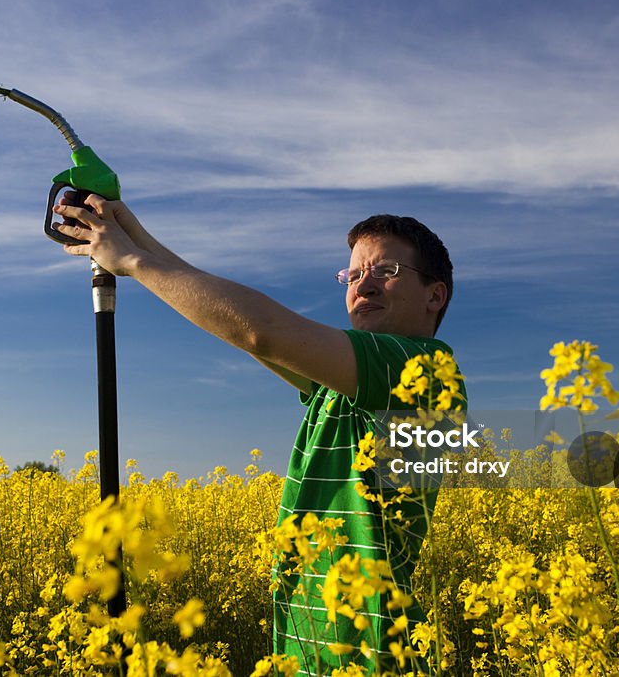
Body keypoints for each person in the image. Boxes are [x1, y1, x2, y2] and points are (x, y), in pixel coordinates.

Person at [52, 194, 465, 674]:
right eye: (352, 276)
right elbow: (245, 333)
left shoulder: (423, 369)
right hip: (313, 647)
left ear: (435, 295)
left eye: (386, 271)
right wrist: (133, 236)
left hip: (367, 653)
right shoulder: (355, 384)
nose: (363, 286)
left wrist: (134, 260)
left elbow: (261, 332)